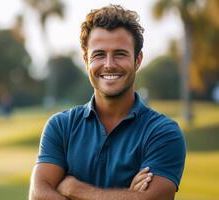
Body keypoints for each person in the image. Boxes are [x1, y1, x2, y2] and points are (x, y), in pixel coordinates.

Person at [29, 5, 186, 200]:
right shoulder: (60, 126)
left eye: (120, 54)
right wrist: (128, 195)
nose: (109, 64)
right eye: (99, 54)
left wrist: (73, 189)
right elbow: (38, 194)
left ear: (138, 60)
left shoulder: (163, 132)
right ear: (86, 60)